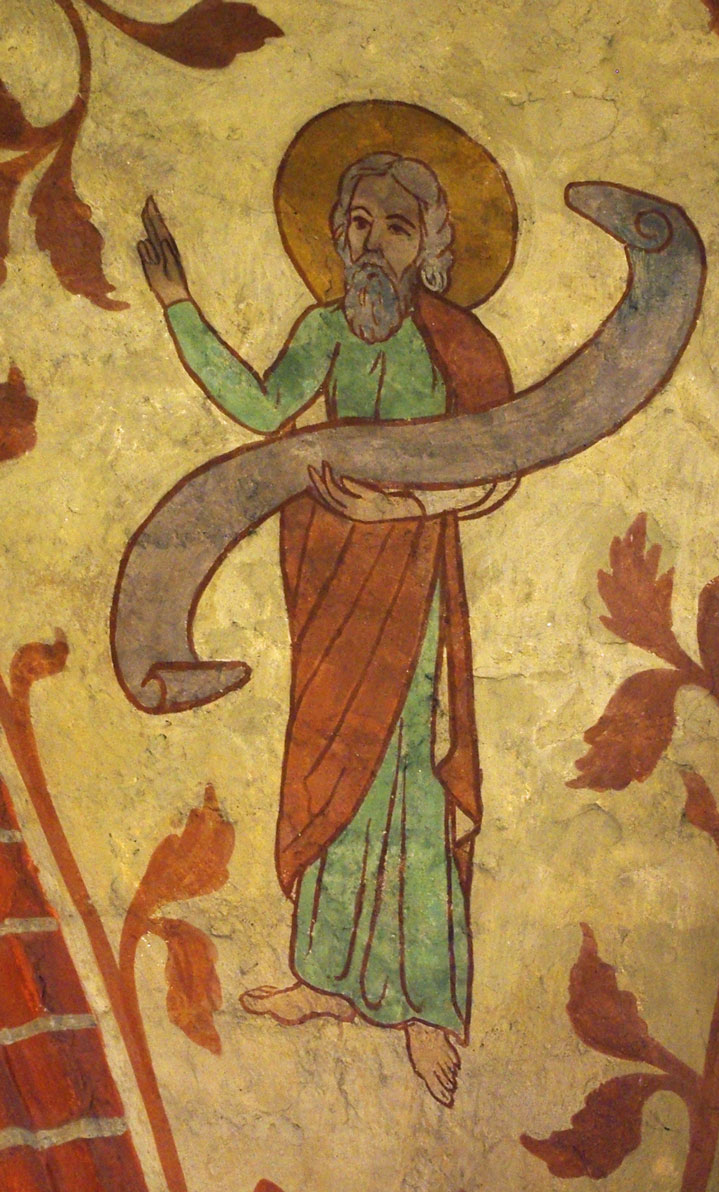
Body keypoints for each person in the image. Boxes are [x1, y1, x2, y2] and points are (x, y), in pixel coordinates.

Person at [137, 152, 517, 1106]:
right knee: (328, 764)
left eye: (396, 227)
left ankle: (427, 1004)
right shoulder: (327, 331)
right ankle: (328, 978)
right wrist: (180, 304)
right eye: (358, 223)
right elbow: (264, 406)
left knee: (409, 777)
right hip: (328, 581)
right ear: (338, 235)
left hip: (410, 583)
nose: (372, 243)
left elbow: (500, 467)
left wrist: (401, 509)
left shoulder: (457, 342)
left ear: (431, 244)